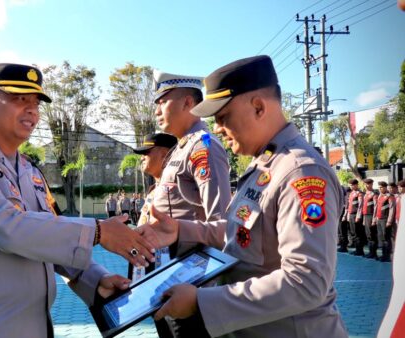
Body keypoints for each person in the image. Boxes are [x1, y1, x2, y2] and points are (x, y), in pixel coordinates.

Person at [0, 63, 155, 337]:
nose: (32, 110)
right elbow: (9, 229)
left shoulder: (30, 172)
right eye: (19, 99)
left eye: (36, 102)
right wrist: (98, 232)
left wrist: (97, 278)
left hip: (36, 326)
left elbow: (48, 237)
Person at [141, 55, 348, 337]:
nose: (215, 128)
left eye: (223, 117)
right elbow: (242, 234)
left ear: (259, 107)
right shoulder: (265, 164)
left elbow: (306, 282)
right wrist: (180, 229)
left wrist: (202, 302)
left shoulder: (301, 171)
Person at [150, 69, 232, 337]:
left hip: (192, 283)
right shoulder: (181, 147)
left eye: (163, 101)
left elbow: (221, 224)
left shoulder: (203, 147)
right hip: (170, 274)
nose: (157, 109)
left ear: (187, 102)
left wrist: (204, 293)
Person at [127, 133, 177, 281]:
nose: (142, 157)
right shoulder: (155, 190)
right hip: (145, 262)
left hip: (162, 267)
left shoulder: (175, 191)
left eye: (146, 153)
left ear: (163, 154)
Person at [373, 181, 395, 262]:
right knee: (381, 238)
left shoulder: (389, 196)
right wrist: (375, 218)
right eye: (379, 187)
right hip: (379, 219)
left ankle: (387, 256)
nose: (379, 189)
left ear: (385, 187)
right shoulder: (379, 196)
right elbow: (377, 208)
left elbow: (392, 209)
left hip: (385, 220)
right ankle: (383, 254)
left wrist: (389, 221)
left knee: (386, 238)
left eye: (381, 187)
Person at [344, 179, 365, 255]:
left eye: (352, 185)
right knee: (353, 233)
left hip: (356, 215)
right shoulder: (351, 193)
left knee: (358, 233)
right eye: (350, 185)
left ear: (356, 185)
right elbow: (349, 206)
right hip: (351, 215)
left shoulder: (359, 194)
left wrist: (358, 216)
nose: (351, 186)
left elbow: (360, 206)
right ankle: (357, 249)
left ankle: (360, 250)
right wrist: (347, 215)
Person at [361, 178, 379, 259]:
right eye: (365, 184)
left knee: (372, 234)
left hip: (371, 216)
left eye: (368, 184)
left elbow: (376, 207)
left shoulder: (374, 194)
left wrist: (374, 219)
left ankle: (373, 253)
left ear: (371, 184)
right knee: (368, 235)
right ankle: (370, 251)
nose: (366, 186)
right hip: (366, 215)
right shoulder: (365, 194)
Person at [337, 186, 351, 253]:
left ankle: (344, 247)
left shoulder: (344, 193)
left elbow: (346, 205)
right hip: (339, 212)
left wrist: (345, 215)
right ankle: (342, 245)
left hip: (342, 212)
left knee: (343, 230)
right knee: (340, 230)